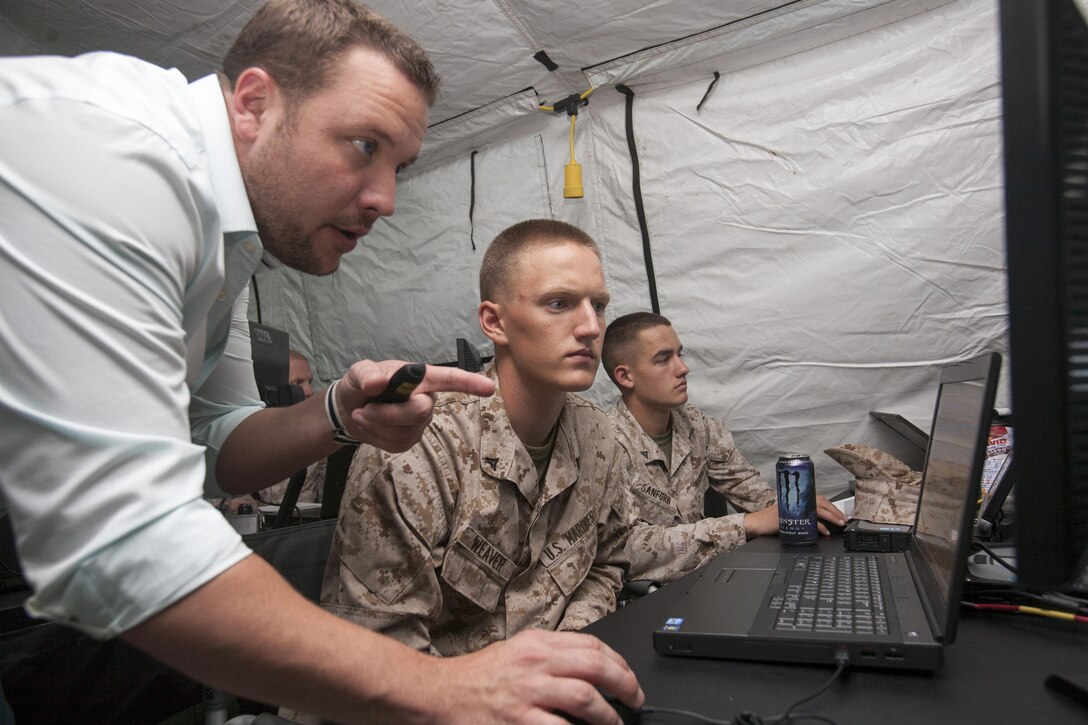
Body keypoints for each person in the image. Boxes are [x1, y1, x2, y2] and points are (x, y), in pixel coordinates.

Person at [0, 2, 641, 723]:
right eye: (363, 145)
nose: (387, 200)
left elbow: (219, 449)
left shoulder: (226, 246)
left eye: (400, 165)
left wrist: (337, 411)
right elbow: (118, 541)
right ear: (254, 104)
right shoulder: (111, 153)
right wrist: (446, 688)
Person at [292, 219, 643, 720]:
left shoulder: (598, 437)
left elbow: (606, 562)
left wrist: (566, 655)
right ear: (494, 323)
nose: (591, 327)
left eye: (599, 305)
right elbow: (375, 651)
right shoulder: (417, 448)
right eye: (559, 303)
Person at [602, 312, 846, 582]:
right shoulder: (603, 445)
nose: (682, 368)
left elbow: (751, 492)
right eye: (663, 359)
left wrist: (795, 510)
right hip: (640, 598)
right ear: (625, 376)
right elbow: (629, 548)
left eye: (679, 355)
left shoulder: (696, 425)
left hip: (703, 580)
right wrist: (747, 524)